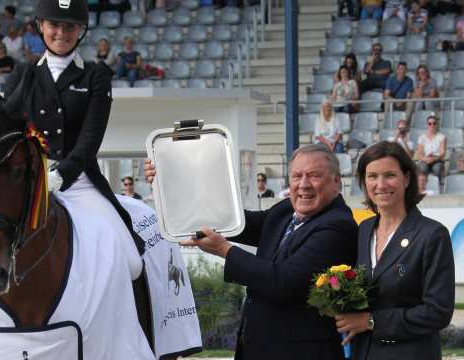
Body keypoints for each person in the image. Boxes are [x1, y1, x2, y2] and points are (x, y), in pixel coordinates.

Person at [3, 0, 155, 358]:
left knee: (131, 258)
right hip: (28, 180)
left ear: (80, 31)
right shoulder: (22, 74)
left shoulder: (95, 75)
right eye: (54, 25)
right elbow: (8, 130)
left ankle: (137, 338)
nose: (61, 33)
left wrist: (62, 173)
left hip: (79, 178)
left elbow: (90, 139)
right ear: (41, 26)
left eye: (69, 27)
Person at [145, 144, 358, 359]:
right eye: (296, 176)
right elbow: (233, 221)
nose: (303, 185)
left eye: (314, 176)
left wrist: (224, 250)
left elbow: (284, 282)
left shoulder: (338, 225)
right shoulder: (287, 210)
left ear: (336, 181)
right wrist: (170, 184)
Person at [335, 141, 454, 360]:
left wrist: (372, 321)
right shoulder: (364, 230)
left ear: (407, 179)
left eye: (389, 175)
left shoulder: (432, 235)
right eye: (372, 176)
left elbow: (438, 312)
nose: (380, 184)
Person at [415, 115, 446, 180]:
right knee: (422, 168)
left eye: (434, 123)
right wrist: (426, 159)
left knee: (437, 168)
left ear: (436, 125)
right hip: (425, 160)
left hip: (437, 160)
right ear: (427, 125)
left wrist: (433, 159)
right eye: (430, 123)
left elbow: (442, 153)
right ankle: (423, 187)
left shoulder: (442, 137)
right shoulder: (422, 138)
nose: (432, 125)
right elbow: (419, 154)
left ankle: (437, 186)